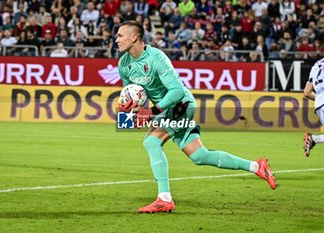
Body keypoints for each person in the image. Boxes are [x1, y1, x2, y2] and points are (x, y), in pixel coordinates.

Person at [116, 20, 277, 213]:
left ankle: (164, 198)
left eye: (120, 35)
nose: (116, 39)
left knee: (151, 142)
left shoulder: (156, 58)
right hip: (165, 110)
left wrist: (151, 113)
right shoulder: (124, 64)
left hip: (181, 104)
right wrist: (135, 114)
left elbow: (176, 91)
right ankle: (257, 166)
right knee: (200, 156)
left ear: (134, 37)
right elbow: (135, 94)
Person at [303, 57, 324, 157]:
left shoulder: (316, 65)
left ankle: (314, 139)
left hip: (319, 104)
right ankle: (314, 139)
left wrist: (320, 98)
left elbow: (307, 92)